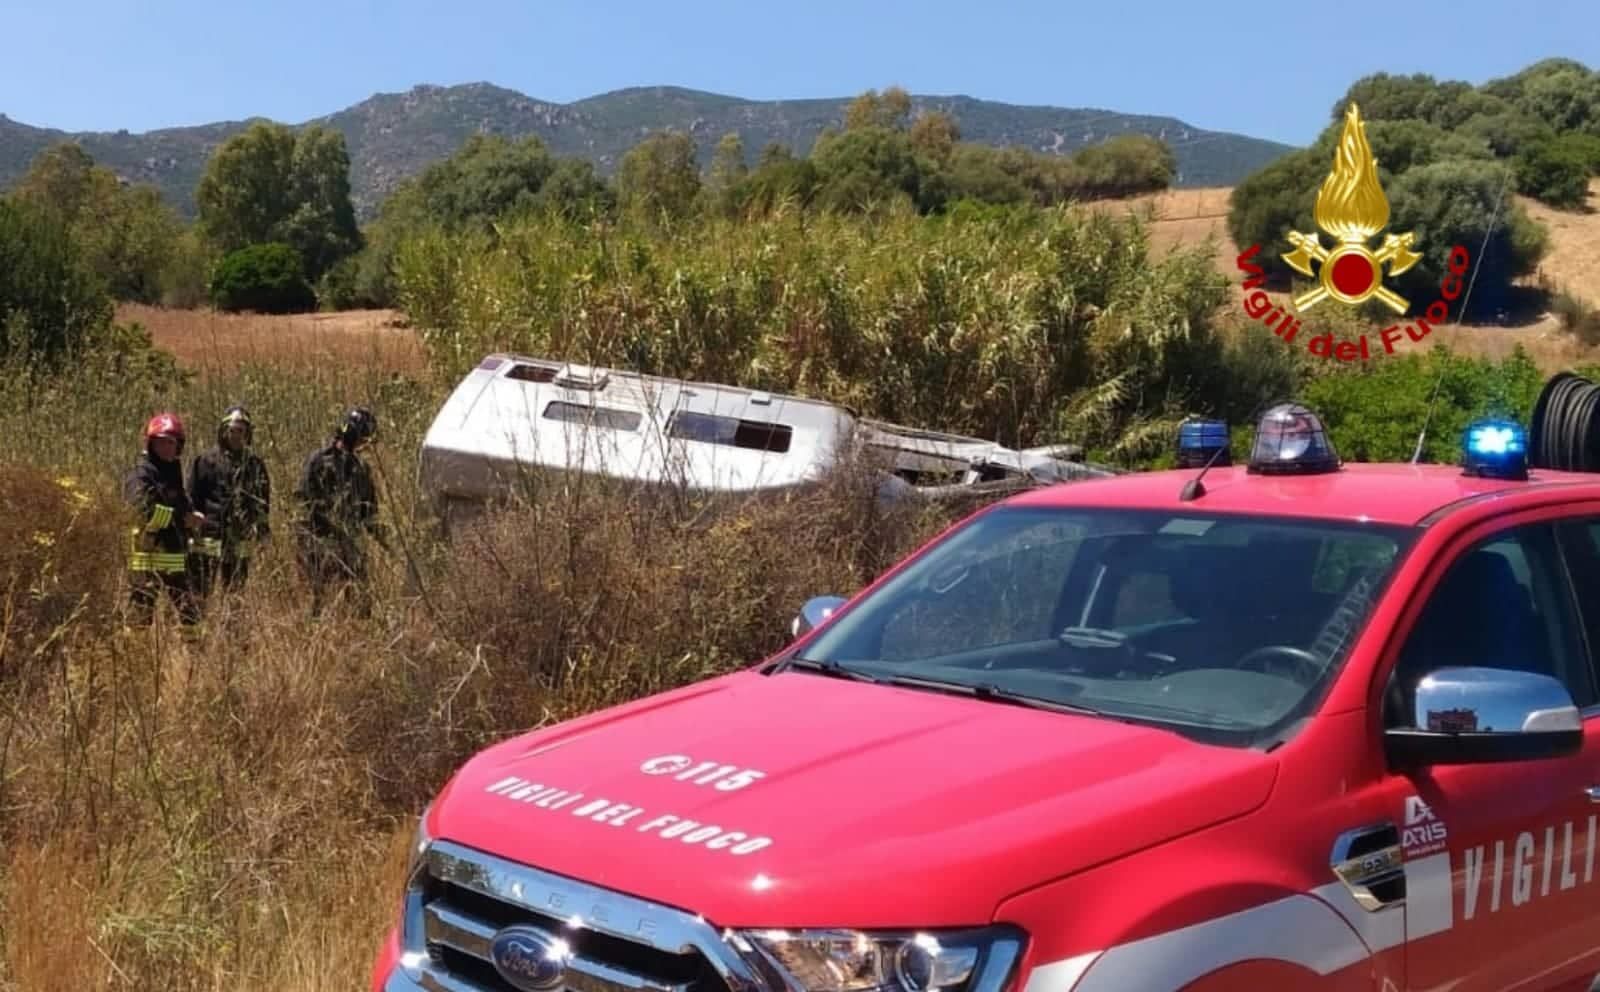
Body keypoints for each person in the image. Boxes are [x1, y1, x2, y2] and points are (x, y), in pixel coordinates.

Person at [294, 406, 387, 617]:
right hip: (321, 542)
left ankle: (360, 636)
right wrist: (308, 543)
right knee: (320, 598)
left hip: (351, 544)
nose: (364, 444)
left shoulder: (362, 469)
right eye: (363, 438)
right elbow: (302, 500)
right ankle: (315, 639)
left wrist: (383, 538)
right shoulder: (319, 460)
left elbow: (369, 510)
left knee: (361, 598)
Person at [124, 411, 205, 627]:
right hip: (147, 558)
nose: (167, 448)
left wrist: (192, 515)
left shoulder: (172, 473)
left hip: (175, 557)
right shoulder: (141, 474)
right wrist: (181, 519)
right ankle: (136, 656)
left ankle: (195, 656)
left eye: (171, 443)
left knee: (191, 614)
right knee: (141, 617)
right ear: (151, 445)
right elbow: (142, 509)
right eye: (161, 443)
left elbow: (181, 501)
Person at [188, 404, 272, 599]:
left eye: (241, 431)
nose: (236, 436)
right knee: (200, 592)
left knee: (235, 592)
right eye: (232, 431)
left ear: (248, 434)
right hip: (208, 536)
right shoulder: (205, 461)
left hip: (240, 538)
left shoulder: (254, 465)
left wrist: (262, 531)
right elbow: (192, 497)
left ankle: (232, 629)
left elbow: (263, 502)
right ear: (224, 431)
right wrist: (191, 530)